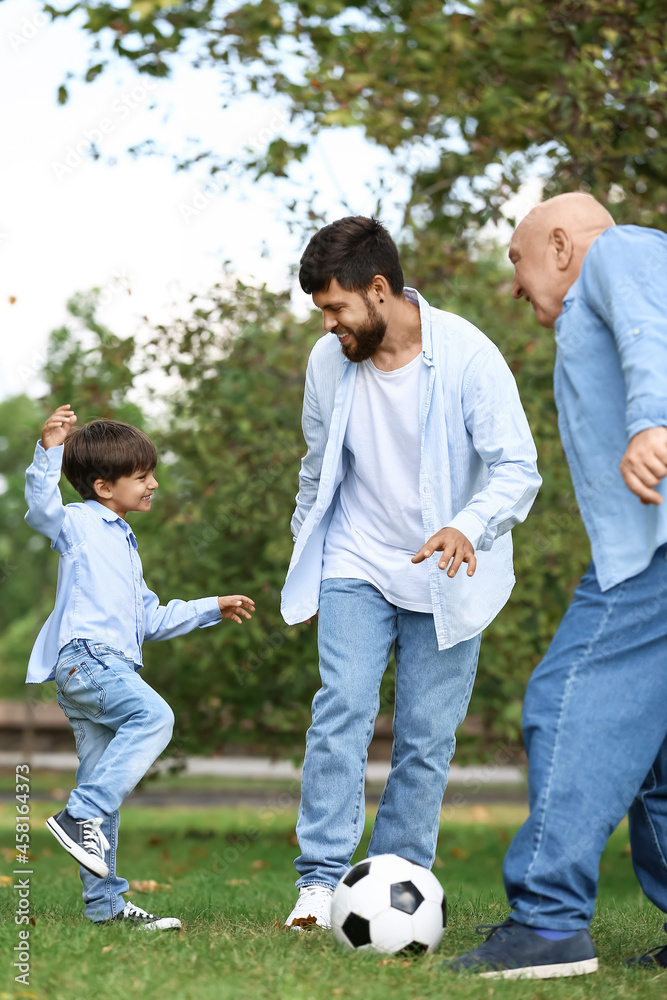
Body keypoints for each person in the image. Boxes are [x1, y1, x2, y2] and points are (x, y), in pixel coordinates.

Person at [280, 216, 541, 929]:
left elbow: (518, 468)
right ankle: (320, 881)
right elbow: (316, 470)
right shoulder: (327, 363)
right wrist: (305, 555)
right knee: (341, 710)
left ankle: (397, 881)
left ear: (378, 289)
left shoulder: (467, 356)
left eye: (336, 308)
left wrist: (468, 524)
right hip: (355, 561)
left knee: (425, 736)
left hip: (447, 574)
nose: (330, 325)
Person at [447, 192, 667, 979]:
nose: (513, 284)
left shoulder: (617, 254)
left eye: (516, 258)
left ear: (563, 244)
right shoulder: (598, 297)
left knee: (565, 700)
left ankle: (546, 924)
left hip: (651, 556)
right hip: (644, 547)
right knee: (652, 757)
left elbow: (654, 332)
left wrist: (652, 421)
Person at [26, 405, 256, 930]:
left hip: (109, 669)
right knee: (154, 719)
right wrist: (50, 451)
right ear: (104, 487)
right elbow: (41, 509)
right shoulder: (81, 523)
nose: (154, 484)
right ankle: (77, 814)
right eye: (142, 476)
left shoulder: (126, 544)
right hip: (88, 662)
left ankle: (105, 907)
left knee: (104, 782)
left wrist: (209, 607)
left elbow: (148, 617)